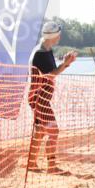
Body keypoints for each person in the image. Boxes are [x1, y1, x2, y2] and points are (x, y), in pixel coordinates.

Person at [27, 22, 78, 175]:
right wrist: (65, 64)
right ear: (54, 36)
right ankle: (51, 166)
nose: (60, 37)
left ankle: (31, 164)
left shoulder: (46, 50)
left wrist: (65, 64)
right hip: (39, 98)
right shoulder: (41, 53)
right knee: (54, 131)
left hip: (39, 97)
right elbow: (50, 75)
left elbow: (51, 71)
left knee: (40, 131)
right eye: (58, 34)